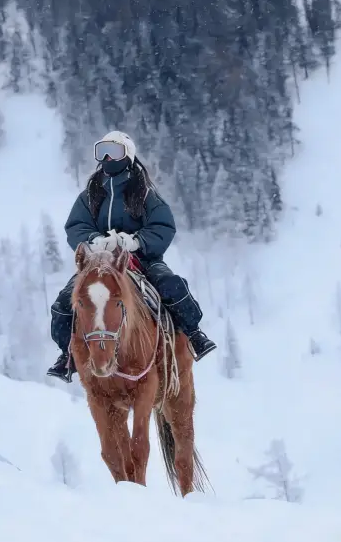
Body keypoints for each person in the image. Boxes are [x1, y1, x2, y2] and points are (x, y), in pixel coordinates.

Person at [47, 130, 217, 382]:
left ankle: (194, 334)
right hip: (98, 263)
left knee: (172, 285)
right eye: (102, 151)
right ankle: (67, 355)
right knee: (65, 301)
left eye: (114, 152)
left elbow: (163, 226)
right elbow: (76, 226)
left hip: (142, 259)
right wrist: (94, 241)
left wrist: (135, 241)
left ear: (128, 155)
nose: (107, 158)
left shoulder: (144, 193)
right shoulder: (91, 194)